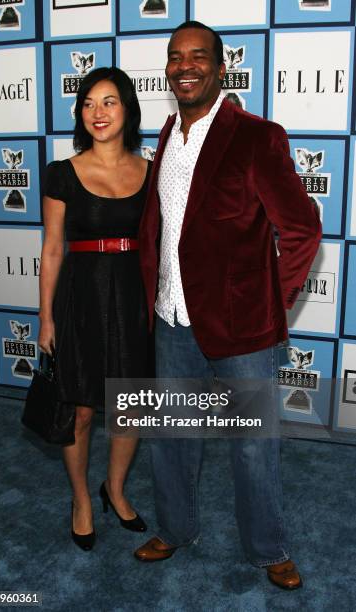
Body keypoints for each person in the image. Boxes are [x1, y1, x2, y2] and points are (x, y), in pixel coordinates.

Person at [134, 21, 322, 590]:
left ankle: (268, 549)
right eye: (175, 56)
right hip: (171, 317)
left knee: (253, 448)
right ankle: (175, 528)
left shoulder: (256, 136)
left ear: (220, 67)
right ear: (168, 69)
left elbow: (302, 229)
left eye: (198, 57)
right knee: (172, 438)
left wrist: (272, 303)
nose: (184, 65)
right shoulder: (166, 134)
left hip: (243, 329)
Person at [38, 66, 151, 551]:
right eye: (88, 103)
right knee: (80, 410)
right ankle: (82, 499)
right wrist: (45, 317)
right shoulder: (62, 172)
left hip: (132, 296)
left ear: (128, 108)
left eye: (108, 101)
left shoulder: (150, 170)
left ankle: (116, 489)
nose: (97, 112)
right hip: (80, 298)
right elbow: (53, 249)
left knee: (130, 408)